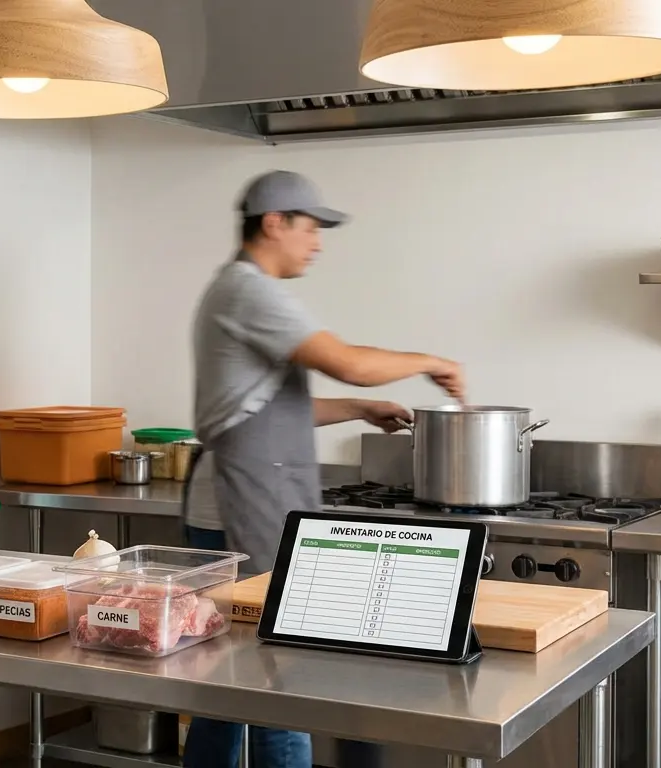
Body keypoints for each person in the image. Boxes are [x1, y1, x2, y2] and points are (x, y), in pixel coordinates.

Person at [180, 170, 467, 768]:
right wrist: (432, 362)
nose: (317, 242)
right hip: (241, 500)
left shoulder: (238, 290)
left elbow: (266, 409)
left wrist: (359, 410)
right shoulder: (249, 290)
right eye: (310, 227)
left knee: (229, 679)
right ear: (274, 222)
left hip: (235, 493)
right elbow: (349, 362)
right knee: (285, 676)